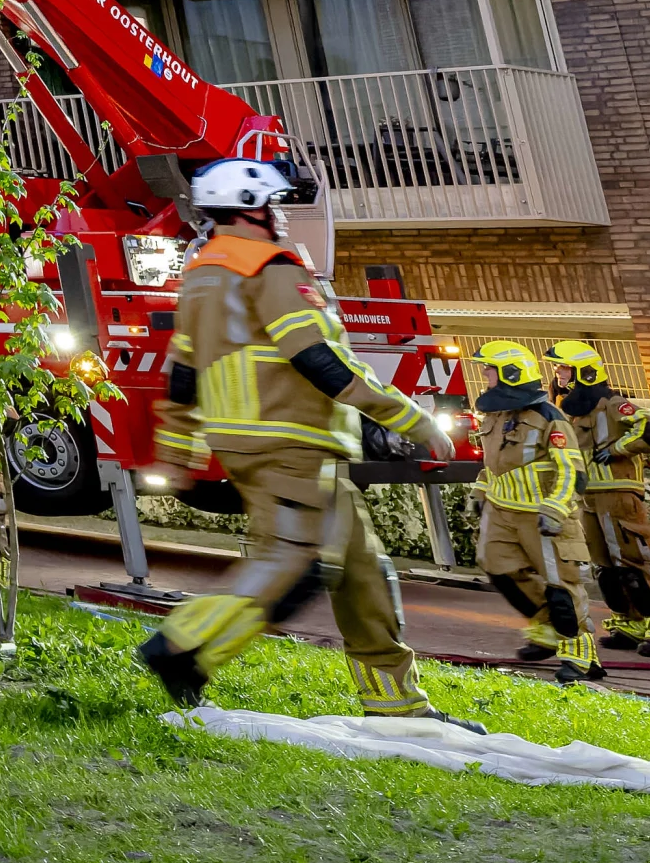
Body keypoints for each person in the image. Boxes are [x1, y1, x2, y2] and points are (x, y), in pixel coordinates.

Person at [138, 158, 468, 722]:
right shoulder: (269, 268)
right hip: (290, 442)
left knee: (362, 572)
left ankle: (395, 705)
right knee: (293, 563)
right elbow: (322, 361)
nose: (280, 216)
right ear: (250, 209)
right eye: (273, 204)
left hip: (262, 444)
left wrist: (179, 452)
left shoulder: (202, 276)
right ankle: (181, 644)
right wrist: (413, 419)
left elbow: (182, 375)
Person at [472, 340, 602, 679]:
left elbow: (572, 471)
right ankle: (546, 629)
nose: (485, 376)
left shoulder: (549, 418)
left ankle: (581, 655)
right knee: (498, 568)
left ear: (510, 374)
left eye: (490, 371)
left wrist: (556, 509)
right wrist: (480, 491)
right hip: (501, 511)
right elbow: (494, 464)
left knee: (562, 584)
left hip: (541, 513)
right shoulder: (496, 415)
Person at [549, 339, 650, 661]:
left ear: (584, 372)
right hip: (589, 497)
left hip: (620, 494)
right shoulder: (572, 408)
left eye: (564, 367)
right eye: (558, 368)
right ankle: (629, 623)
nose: (558, 373)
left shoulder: (613, 404)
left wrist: (620, 449)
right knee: (606, 568)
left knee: (635, 563)